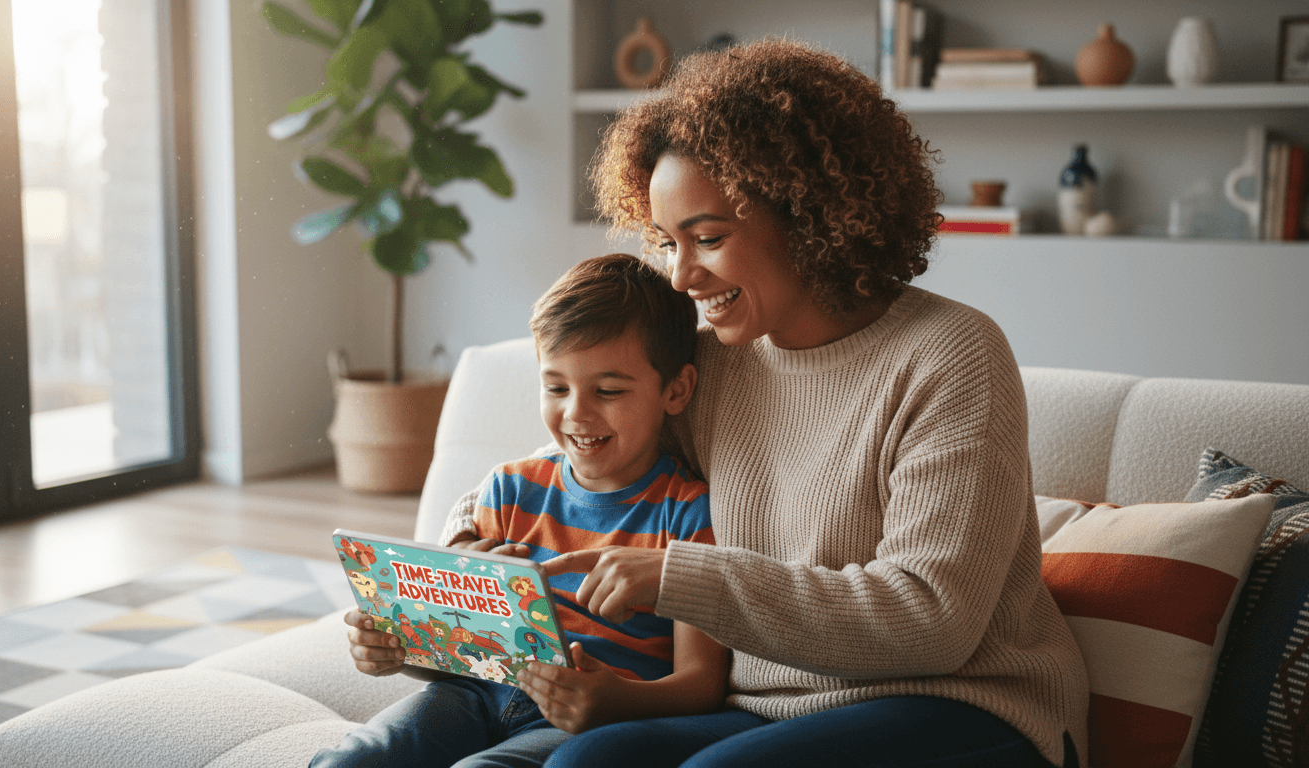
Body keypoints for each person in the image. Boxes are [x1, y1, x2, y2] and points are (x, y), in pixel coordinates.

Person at [439, 38, 1091, 768]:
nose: (681, 277)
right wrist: (471, 533)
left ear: (808, 214)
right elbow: (589, 445)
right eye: (666, 242)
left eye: (707, 238)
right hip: (763, 709)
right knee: (582, 763)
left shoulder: (951, 355)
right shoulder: (716, 366)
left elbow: (932, 620)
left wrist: (678, 577)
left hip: (965, 704)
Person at [316, 254, 728, 768]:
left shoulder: (688, 514)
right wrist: (398, 649)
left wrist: (613, 700)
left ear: (676, 390)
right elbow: (458, 655)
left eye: (608, 390)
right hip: (472, 696)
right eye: (556, 387)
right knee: (354, 761)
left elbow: (703, 682)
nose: (576, 412)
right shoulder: (508, 490)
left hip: (586, 723)